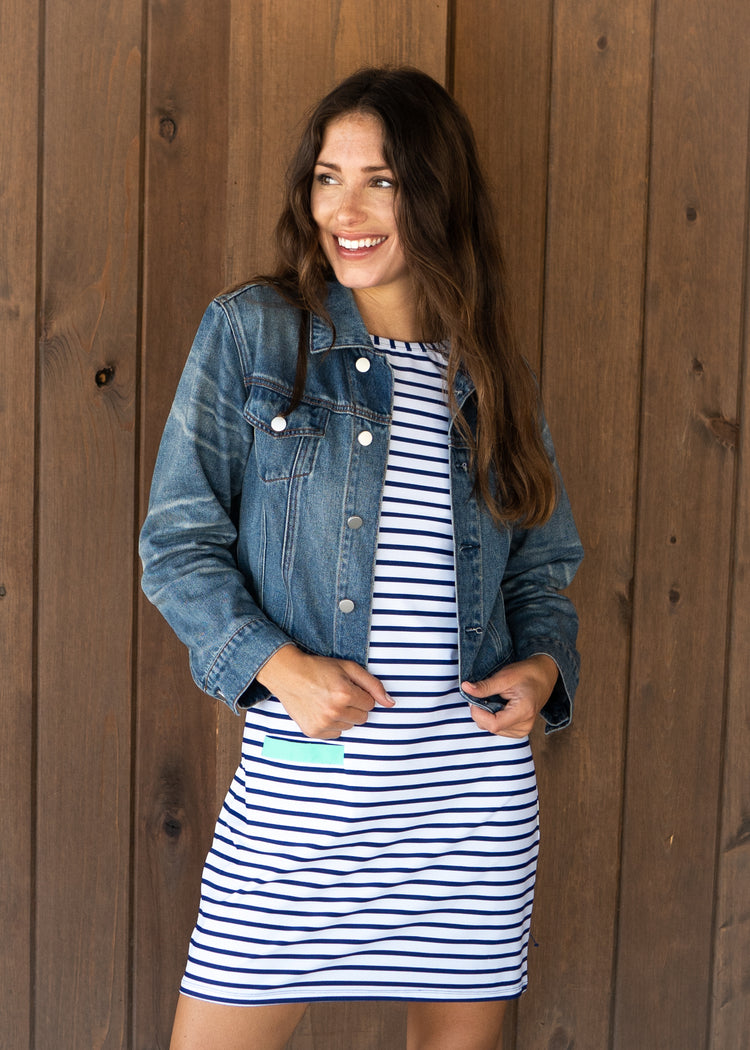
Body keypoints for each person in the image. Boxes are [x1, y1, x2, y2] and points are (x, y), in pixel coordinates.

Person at [140, 66, 583, 1050]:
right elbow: (176, 544)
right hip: (304, 793)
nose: (345, 207)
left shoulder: (490, 369)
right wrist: (280, 667)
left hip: (468, 804)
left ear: (434, 194)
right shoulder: (257, 331)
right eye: (327, 177)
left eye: (380, 180)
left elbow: (541, 563)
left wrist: (542, 667)